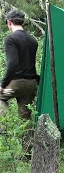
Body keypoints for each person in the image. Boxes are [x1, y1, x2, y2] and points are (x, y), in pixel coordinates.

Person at [0, 9, 39, 153]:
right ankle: (27, 153)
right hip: (31, 84)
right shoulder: (33, 40)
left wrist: (2, 85)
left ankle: (2, 127)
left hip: (16, 83)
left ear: (9, 23)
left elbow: (12, 64)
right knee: (26, 117)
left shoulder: (10, 39)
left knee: (1, 96)